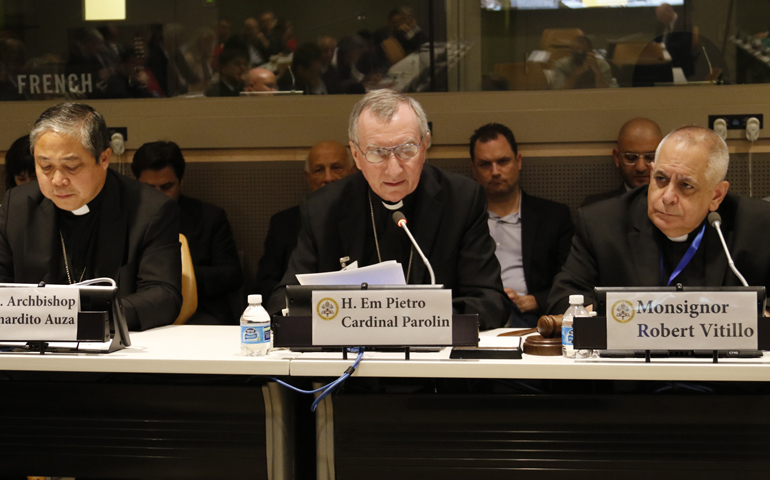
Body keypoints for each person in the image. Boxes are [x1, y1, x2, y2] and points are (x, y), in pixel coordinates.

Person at [268, 89, 515, 330]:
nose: (394, 170)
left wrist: (413, 321)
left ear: (425, 145)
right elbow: (284, 301)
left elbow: (490, 301)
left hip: (434, 362)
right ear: (356, 154)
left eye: (406, 149)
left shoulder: (461, 199)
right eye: (377, 153)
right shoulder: (323, 208)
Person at [548, 125, 770, 314]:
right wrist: (625, 315)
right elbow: (562, 304)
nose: (667, 197)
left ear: (716, 195)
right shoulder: (601, 223)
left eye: (686, 185)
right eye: (661, 179)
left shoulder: (758, 225)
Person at [0, 103, 181, 330]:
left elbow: (164, 296)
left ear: (104, 158)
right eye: (45, 166)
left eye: (72, 166)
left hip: (114, 351)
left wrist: (84, 316)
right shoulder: (17, 206)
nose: (57, 180)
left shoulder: (150, 210)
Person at [470, 123, 574, 326]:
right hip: (478, 319)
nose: (495, 171)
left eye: (503, 161)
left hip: (532, 318)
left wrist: (534, 301)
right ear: (473, 169)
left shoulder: (553, 217)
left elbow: (570, 279)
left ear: (518, 161)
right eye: (485, 164)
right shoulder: (463, 218)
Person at [132, 141, 243, 325]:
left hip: (201, 311)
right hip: (141, 308)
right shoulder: (125, 218)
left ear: (181, 180)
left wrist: (178, 276)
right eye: (150, 188)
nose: (158, 196)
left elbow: (231, 275)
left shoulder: (209, 216)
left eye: (167, 187)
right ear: (136, 183)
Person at [254, 140, 356, 299]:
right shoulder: (282, 224)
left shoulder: (365, 216)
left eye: (336, 168)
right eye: (319, 170)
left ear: (353, 171)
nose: (328, 178)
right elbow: (267, 283)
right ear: (308, 177)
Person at [582, 118, 663, 206]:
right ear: (617, 158)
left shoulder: (677, 202)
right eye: (631, 158)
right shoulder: (595, 208)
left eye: (650, 157)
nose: (640, 167)